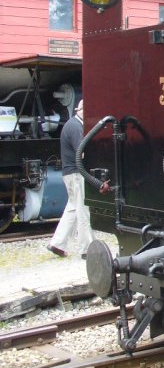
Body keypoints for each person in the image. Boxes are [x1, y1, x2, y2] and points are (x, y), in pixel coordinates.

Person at [47, 99, 93, 259]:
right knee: (83, 209)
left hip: (70, 172)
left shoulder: (72, 124)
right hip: (76, 173)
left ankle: (57, 243)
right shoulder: (75, 127)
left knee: (73, 208)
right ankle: (86, 249)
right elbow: (81, 152)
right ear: (84, 110)